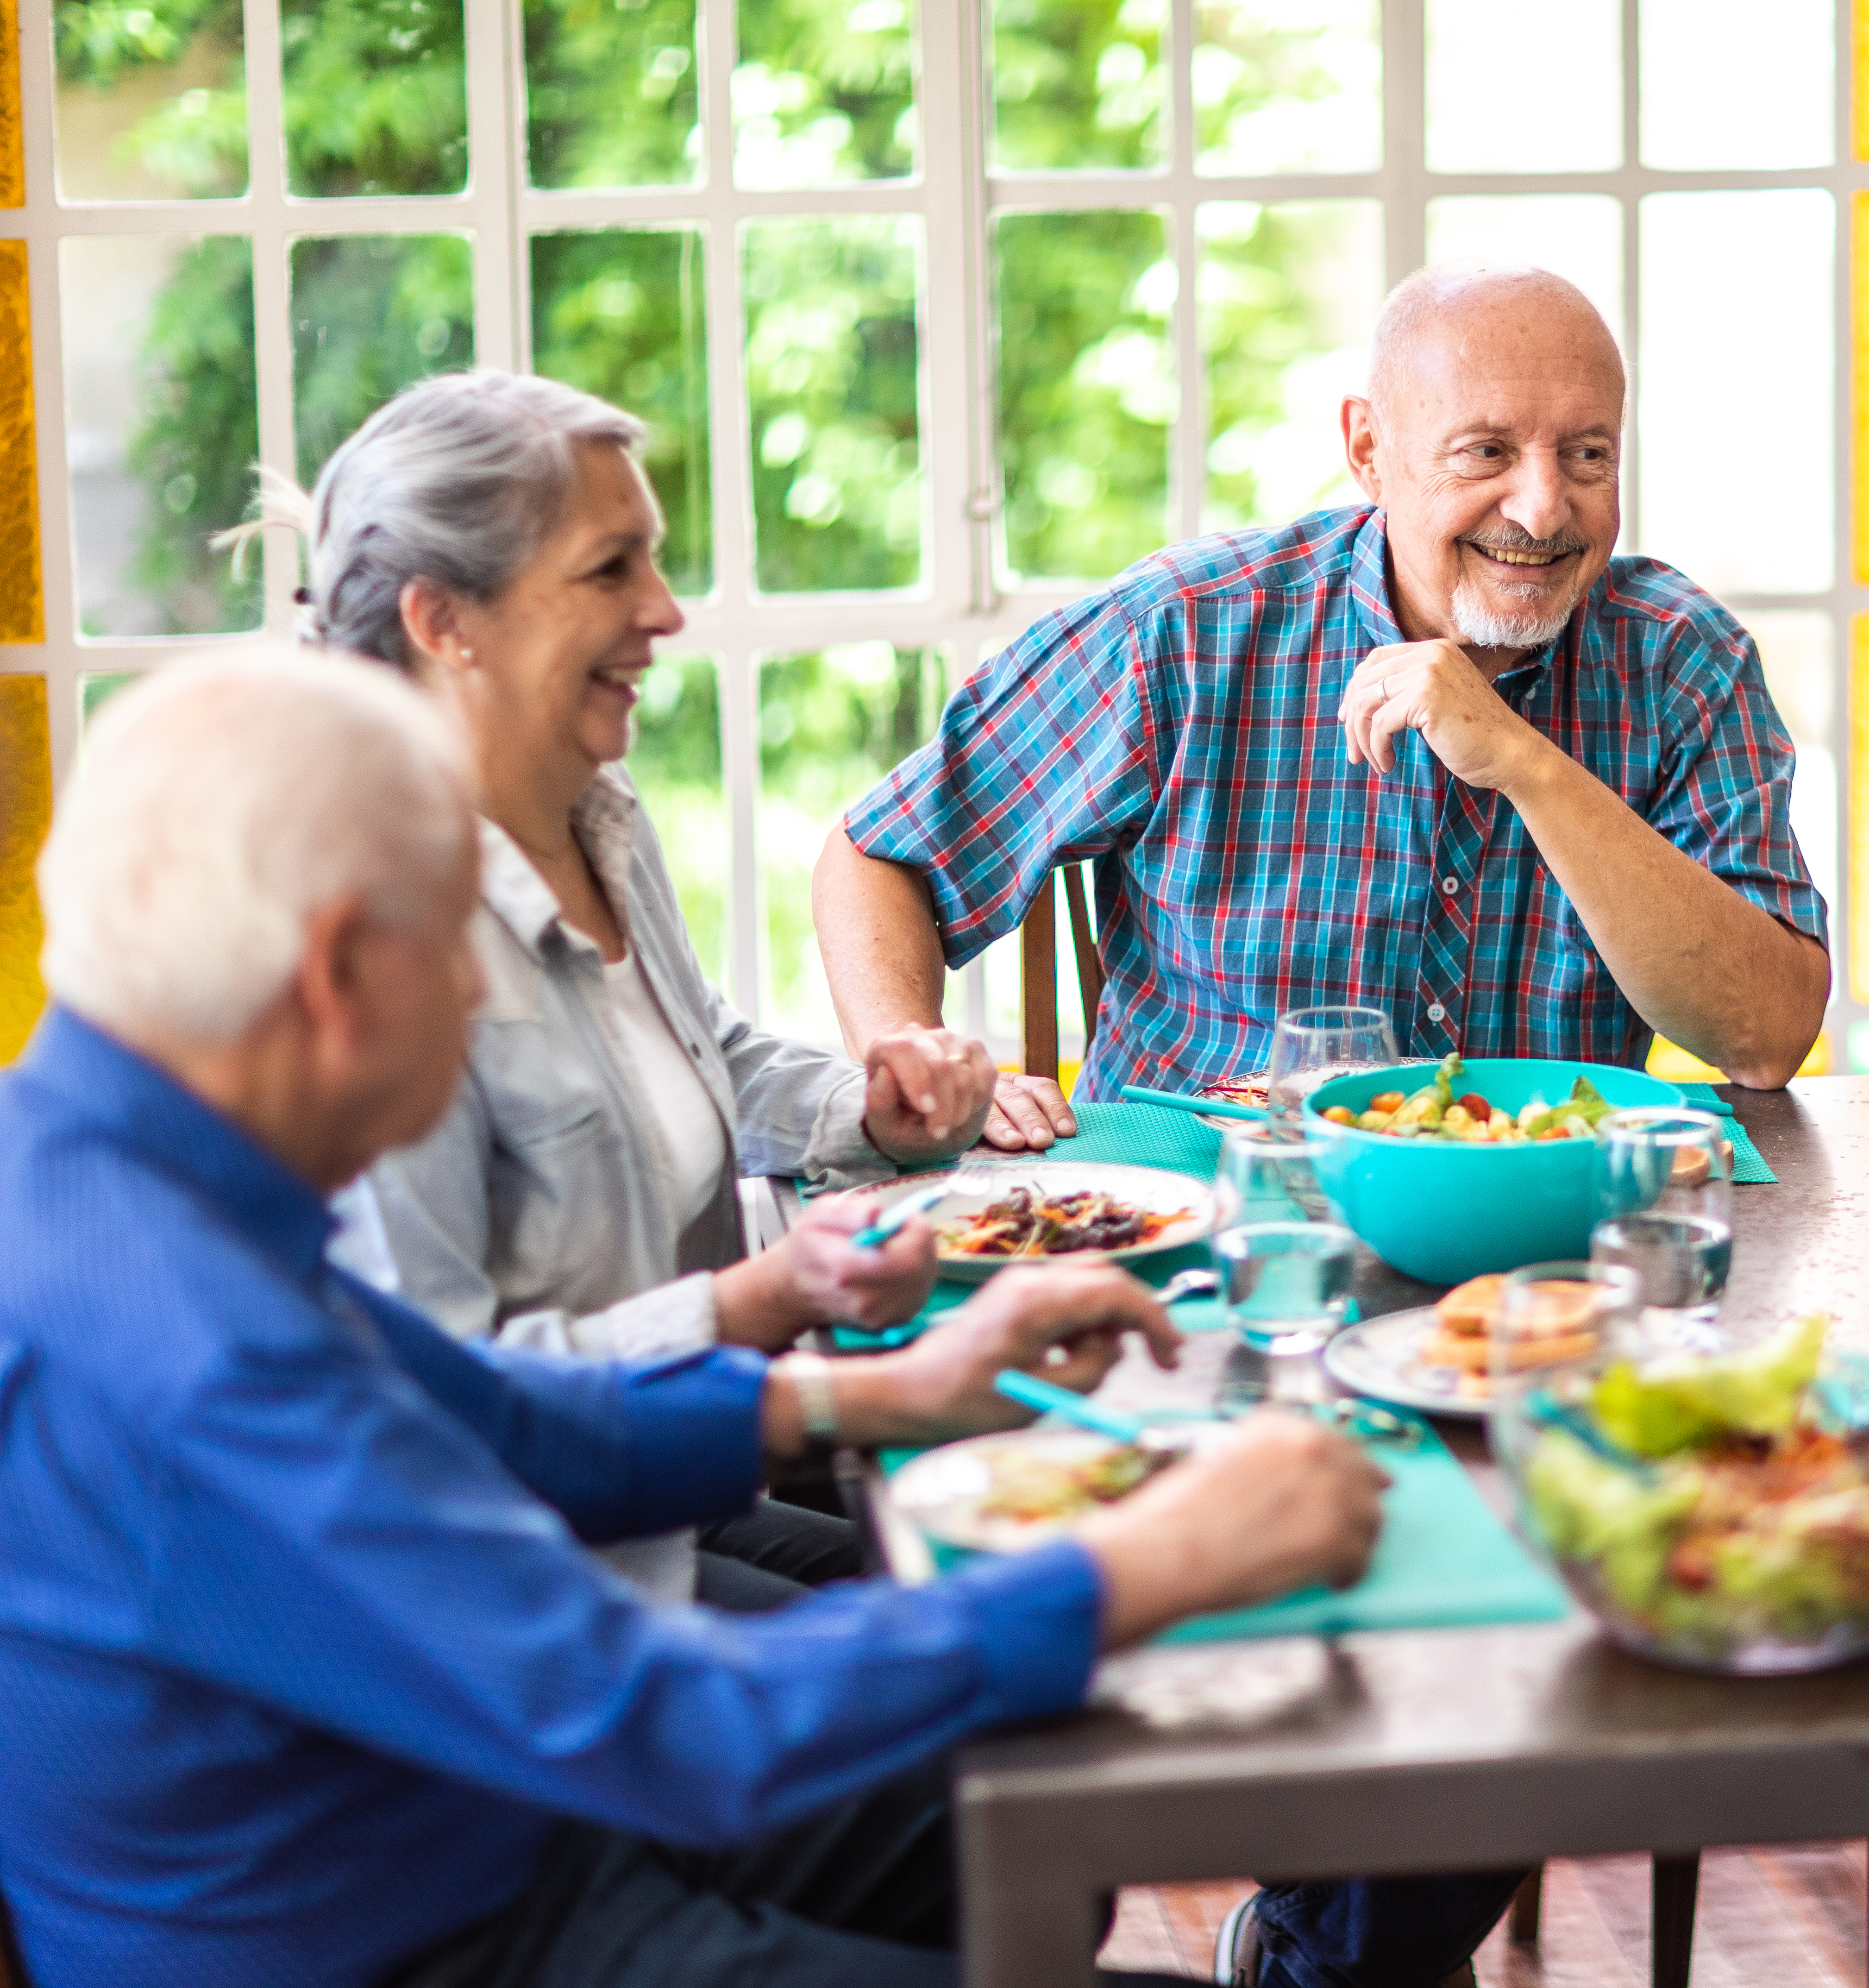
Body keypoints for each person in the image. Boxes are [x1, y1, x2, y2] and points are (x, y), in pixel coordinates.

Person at [0, 647, 1387, 1988]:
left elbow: (485, 1412)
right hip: (436, 1926)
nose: (487, 989)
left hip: (470, 1818)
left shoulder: (97, 1166)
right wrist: (1149, 1562)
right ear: (336, 973)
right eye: (454, 940)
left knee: (1011, 1796)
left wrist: (878, 1397)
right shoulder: (186, 1357)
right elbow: (666, 1720)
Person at [241, 370, 1042, 1605]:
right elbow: (439, 1400)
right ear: (447, 619)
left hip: (668, 1502)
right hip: (519, 1588)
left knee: (1013, 1556)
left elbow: (696, 1052)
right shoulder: (377, 944)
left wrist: (870, 1112)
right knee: (986, 1679)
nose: (665, 611)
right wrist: (763, 1299)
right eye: (611, 570)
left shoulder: (594, 819)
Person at [815, 260, 1832, 1149]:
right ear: (1368, 451)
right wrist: (914, 1056)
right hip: (1214, 1224)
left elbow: (1767, 1032)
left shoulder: (1680, 659)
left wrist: (1527, 762)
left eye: (1588, 455)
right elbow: (879, 854)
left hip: (1541, 1246)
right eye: (1485, 452)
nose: (1542, 507)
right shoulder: (1187, 629)